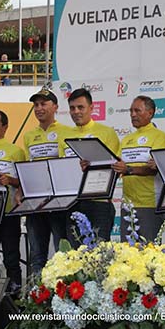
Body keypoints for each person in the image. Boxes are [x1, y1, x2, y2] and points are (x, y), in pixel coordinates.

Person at [22, 88, 72, 274]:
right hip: (35, 202)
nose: (39, 108)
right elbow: (27, 167)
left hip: (59, 200)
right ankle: (37, 297)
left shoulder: (67, 131)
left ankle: (62, 296)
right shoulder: (28, 136)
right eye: (36, 105)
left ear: (55, 107)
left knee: (62, 253)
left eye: (44, 104)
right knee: (37, 255)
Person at [62, 88, 119, 247]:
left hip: (99, 201)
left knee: (99, 254)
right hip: (72, 202)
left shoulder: (107, 133)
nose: (76, 112)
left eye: (81, 107)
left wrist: (93, 166)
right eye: (72, 108)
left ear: (92, 108)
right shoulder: (64, 135)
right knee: (75, 255)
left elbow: (115, 169)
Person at [113, 96, 165, 241]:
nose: (133, 114)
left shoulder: (159, 136)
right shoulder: (126, 139)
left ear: (150, 113)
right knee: (128, 256)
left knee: (149, 255)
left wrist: (129, 169)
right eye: (131, 111)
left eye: (137, 110)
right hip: (128, 205)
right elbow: (117, 166)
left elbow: (154, 168)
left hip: (149, 204)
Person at [0, 110, 25, 295]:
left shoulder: (16, 151)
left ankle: (15, 298)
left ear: (5, 127)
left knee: (11, 258)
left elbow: (24, 182)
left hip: (9, 212)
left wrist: (10, 180)